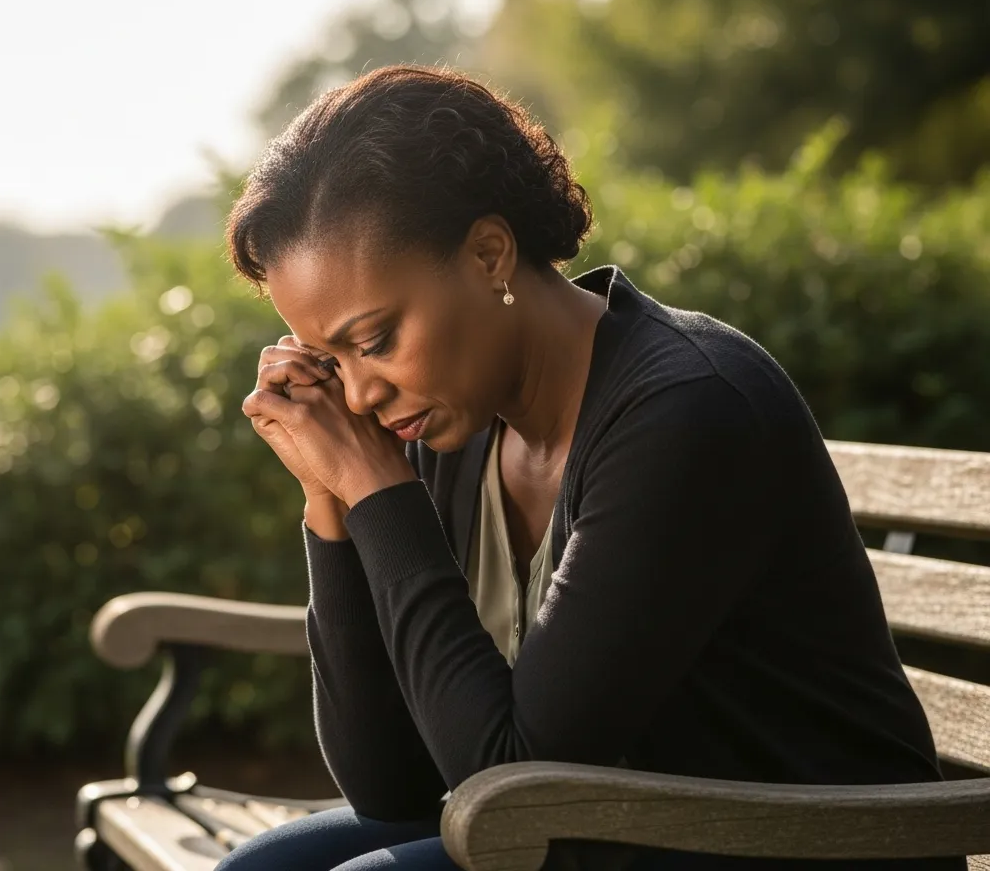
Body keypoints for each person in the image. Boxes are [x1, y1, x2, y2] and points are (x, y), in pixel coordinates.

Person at [221, 65, 957, 871]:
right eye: (328, 358)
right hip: (632, 827)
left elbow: (518, 775)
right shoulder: (458, 426)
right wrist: (330, 500)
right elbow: (392, 786)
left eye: (375, 339)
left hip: (792, 845)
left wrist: (380, 494)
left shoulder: (685, 407)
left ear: (489, 254)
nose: (358, 394)